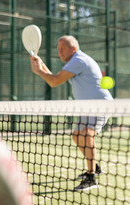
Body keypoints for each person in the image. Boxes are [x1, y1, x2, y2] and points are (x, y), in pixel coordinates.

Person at [30, 35, 113, 191]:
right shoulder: (74, 62)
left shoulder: (79, 61)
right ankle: (95, 167)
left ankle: (91, 177)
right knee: (77, 135)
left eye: (62, 48)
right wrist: (41, 66)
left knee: (86, 135)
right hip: (87, 107)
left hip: (99, 105)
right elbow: (54, 79)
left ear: (73, 49)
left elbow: (54, 81)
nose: (59, 52)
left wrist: (39, 71)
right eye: (58, 49)